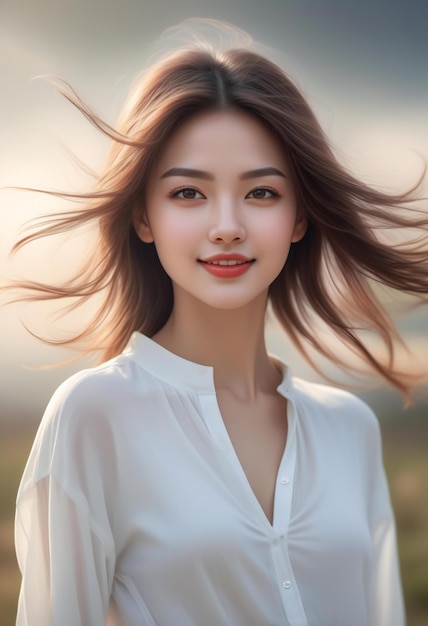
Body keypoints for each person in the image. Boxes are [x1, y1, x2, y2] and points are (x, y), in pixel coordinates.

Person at [11, 21, 428, 626]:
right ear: (144, 217)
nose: (227, 225)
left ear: (300, 217)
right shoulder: (92, 416)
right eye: (188, 194)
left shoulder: (350, 431)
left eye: (261, 194)